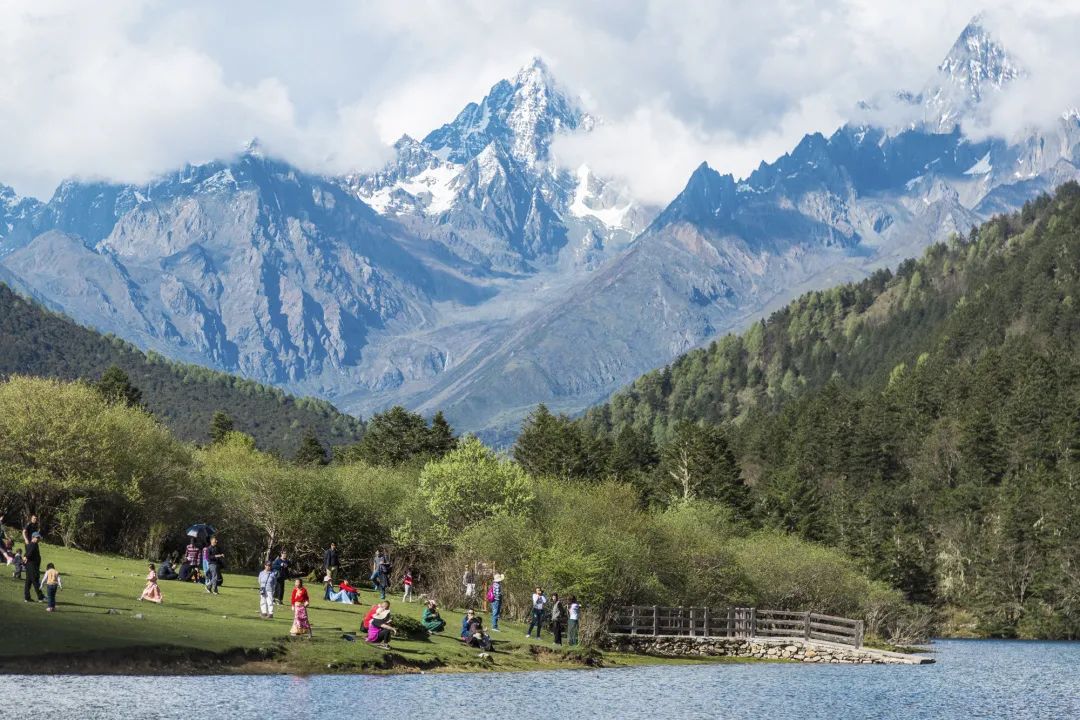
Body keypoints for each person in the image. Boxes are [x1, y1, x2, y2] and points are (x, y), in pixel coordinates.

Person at [23, 532, 44, 603]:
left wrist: (25, 557)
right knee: (35, 581)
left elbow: (27, 552)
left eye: (39, 538)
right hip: (32, 566)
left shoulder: (32, 544)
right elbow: (29, 553)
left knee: (28, 582)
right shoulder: (33, 544)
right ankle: (40, 597)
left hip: (30, 566)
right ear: (33, 537)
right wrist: (25, 558)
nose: (38, 539)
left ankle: (27, 597)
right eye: (37, 538)